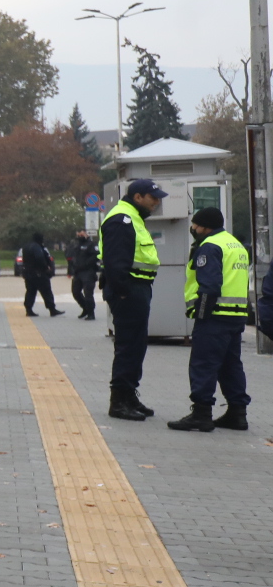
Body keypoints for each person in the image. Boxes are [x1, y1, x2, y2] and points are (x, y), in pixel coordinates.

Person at [167, 208, 252, 432]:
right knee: (231, 365)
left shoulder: (209, 247)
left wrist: (202, 315)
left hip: (214, 317)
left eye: (195, 225)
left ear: (205, 227)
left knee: (203, 364)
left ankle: (201, 414)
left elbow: (210, 286)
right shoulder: (236, 245)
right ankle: (237, 414)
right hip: (235, 316)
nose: (193, 229)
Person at [100, 178, 168, 421]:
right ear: (138, 197)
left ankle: (129, 395)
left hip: (137, 289)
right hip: (128, 292)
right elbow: (116, 261)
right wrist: (123, 291)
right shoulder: (122, 219)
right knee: (128, 346)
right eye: (153, 198)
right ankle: (118, 401)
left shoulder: (134, 218)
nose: (156, 202)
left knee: (137, 346)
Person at [18, 232, 64, 317]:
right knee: (46, 291)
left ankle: (29, 309)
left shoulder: (26, 246)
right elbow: (40, 258)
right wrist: (46, 268)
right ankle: (52, 309)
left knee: (30, 292)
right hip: (39, 273)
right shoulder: (37, 247)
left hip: (28, 273)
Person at [68, 228, 99, 321]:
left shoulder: (92, 244)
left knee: (88, 293)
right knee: (75, 292)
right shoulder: (76, 245)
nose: (79, 237)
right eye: (78, 235)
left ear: (86, 234)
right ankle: (85, 308)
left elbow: (96, 256)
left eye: (81, 235)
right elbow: (73, 257)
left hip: (88, 272)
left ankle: (91, 313)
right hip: (78, 272)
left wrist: (86, 264)